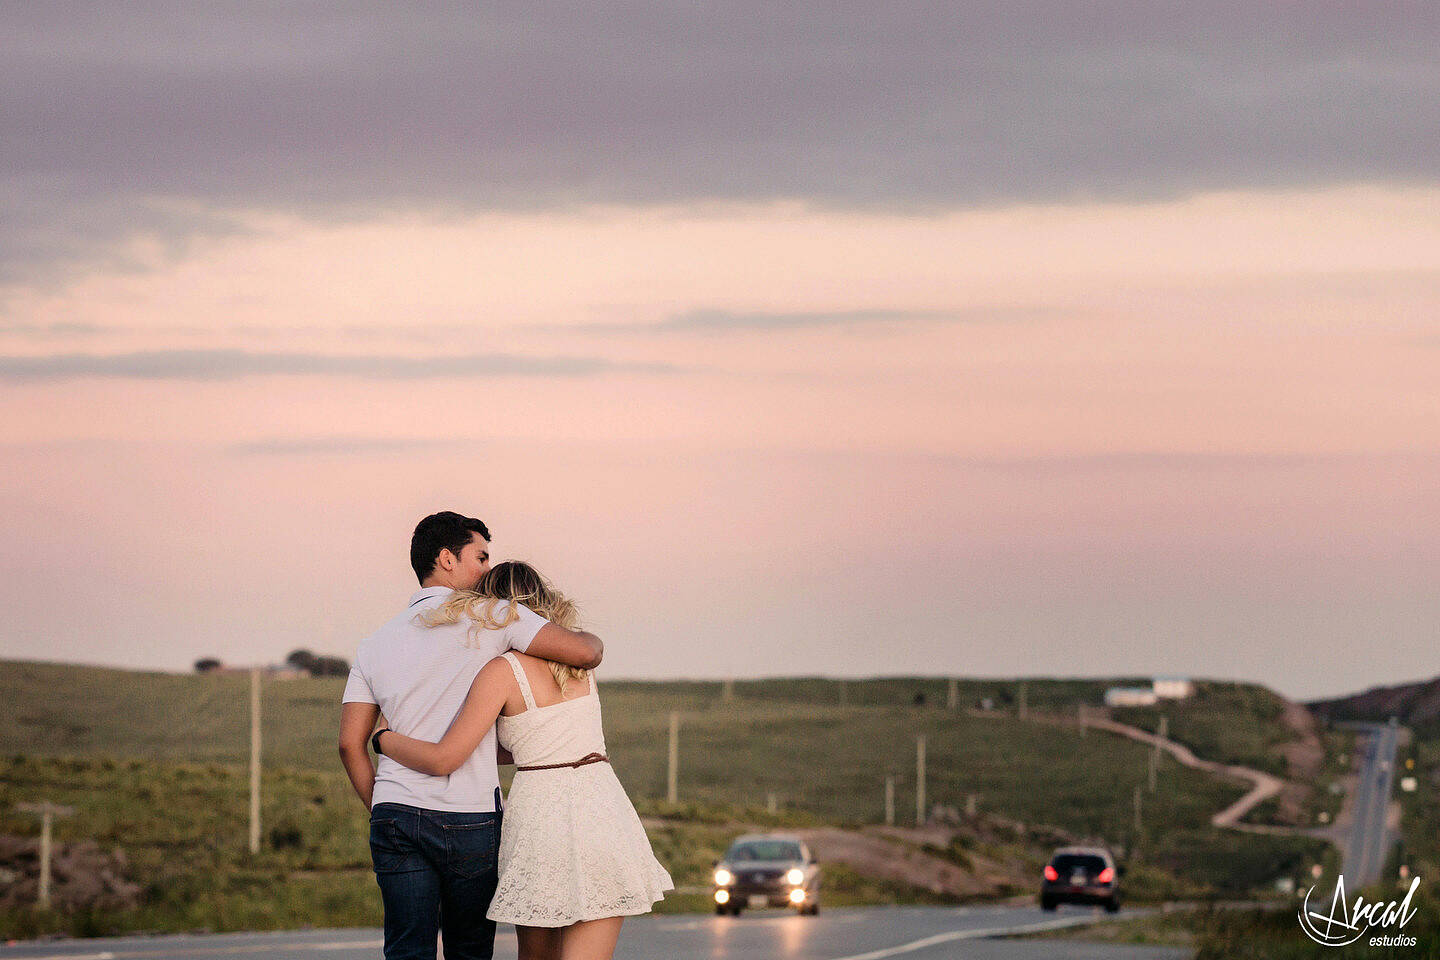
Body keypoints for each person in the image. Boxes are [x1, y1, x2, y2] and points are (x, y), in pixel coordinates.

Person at [338, 512, 605, 960]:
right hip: (471, 820)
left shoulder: (374, 643)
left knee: (406, 950)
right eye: (480, 557)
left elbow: (349, 744)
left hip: (396, 812)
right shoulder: (498, 617)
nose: (486, 571)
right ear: (446, 559)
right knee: (470, 951)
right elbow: (586, 652)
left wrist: (382, 806)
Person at [373, 561, 673, 960]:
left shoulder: (500, 673)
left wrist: (383, 739)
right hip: (602, 807)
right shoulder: (579, 664)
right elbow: (543, 740)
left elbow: (446, 757)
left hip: (541, 819)